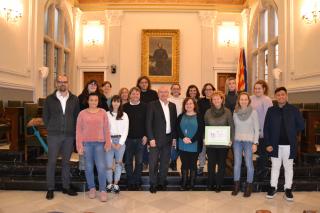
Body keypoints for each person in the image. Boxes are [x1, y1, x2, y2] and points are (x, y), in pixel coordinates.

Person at [43, 75, 80, 200]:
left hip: (69, 136)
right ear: (56, 83)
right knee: (52, 162)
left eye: (65, 81)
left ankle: (65, 186)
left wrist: (74, 132)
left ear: (68, 83)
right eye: (60, 82)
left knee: (66, 162)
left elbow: (76, 117)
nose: (62, 84)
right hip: (54, 135)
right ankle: (50, 188)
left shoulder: (74, 99)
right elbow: (45, 117)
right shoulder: (49, 99)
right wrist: (51, 128)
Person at [264, 87, 304, 201]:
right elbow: (266, 128)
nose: (281, 97)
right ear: (276, 97)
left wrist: (291, 129)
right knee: (275, 167)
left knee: (288, 168)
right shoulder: (271, 110)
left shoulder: (294, 110)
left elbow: (301, 125)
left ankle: (288, 189)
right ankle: (273, 187)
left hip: (289, 145)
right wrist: (268, 144)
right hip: (274, 145)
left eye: (283, 94)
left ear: (286, 96)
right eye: (278, 95)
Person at [76, 92, 111, 202]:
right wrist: (79, 145)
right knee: (89, 167)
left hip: (100, 144)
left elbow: (106, 129)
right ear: (88, 101)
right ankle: (91, 188)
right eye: (91, 100)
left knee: (101, 167)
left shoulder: (103, 112)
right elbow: (79, 131)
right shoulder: (82, 113)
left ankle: (103, 190)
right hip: (87, 144)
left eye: (95, 100)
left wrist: (108, 143)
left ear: (98, 101)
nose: (93, 102)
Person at [146, 86, 177, 193]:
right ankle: (153, 184)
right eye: (161, 92)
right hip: (155, 139)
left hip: (168, 138)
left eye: (165, 92)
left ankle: (161, 182)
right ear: (158, 94)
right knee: (153, 162)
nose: (163, 94)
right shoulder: (152, 105)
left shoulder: (172, 106)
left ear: (168, 94)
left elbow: (174, 123)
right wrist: (151, 138)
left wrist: (174, 137)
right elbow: (148, 123)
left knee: (165, 162)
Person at [204, 91, 234, 193]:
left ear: (222, 100)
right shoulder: (208, 112)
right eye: (214, 99)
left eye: (218, 98)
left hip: (223, 143)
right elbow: (205, 126)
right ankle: (210, 184)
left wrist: (231, 140)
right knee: (211, 164)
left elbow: (231, 127)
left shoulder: (227, 112)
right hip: (211, 143)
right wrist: (204, 138)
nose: (216, 100)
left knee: (221, 164)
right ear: (212, 101)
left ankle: (219, 185)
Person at [232, 92, 259, 197]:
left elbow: (256, 129)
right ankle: (236, 186)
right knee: (237, 164)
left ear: (249, 101)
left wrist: (255, 143)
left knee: (249, 164)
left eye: (245, 99)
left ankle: (249, 187)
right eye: (241, 99)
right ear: (239, 101)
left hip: (249, 141)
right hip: (237, 141)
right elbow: (234, 127)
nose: (243, 101)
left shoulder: (253, 112)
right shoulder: (235, 112)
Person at [123, 87, 148, 190]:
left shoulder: (145, 106)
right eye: (133, 94)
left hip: (141, 139)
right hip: (128, 139)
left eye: (137, 94)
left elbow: (148, 122)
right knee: (128, 161)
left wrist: (146, 135)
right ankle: (130, 180)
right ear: (130, 95)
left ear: (139, 95)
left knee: (139, 161)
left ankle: (137, 180)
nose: (135, 96)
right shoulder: (124, 107)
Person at [177, 97, 204, 191]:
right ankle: (184, 182)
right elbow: (177, 129)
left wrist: (191, 140)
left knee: (193, 164)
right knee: (184, 164)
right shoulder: (181, 116)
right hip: (182, 143)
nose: (189, 105)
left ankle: (192, 183)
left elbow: (200, 131)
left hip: (194, 144)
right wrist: (183, 138)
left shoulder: (199, 116)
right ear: (184, 106)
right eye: (187, 104)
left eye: (191, 103)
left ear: (194, 105)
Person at [106, 95, 129, 194]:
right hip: (109, 140)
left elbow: (125, 130)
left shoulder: (124, 115)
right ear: (111, 103)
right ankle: (109, 183)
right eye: (114, 101)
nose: (116, 103)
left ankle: (116, 184)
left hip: (121, 141)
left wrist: (120, 143)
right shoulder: (106, 114)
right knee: (108, 164)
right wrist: (111, 143)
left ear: (120, 103)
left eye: (118, 101)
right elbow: (105, 129)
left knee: (119, 163)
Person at [250, 80, 273, 179]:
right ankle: (254, 172)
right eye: (255, 88)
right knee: (252, 152)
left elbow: (269, 117)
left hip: (263, 130)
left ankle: (262, 173)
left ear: (264, 89)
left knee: (263, 154)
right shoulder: (250, 98)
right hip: (251, 131)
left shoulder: (267, 99)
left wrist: (264, 131)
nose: (257, 90)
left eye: (259, 88)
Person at [136, 76, 158, 170]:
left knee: (153, 141)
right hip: (141, 120)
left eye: (145, 82)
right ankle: (144, 162)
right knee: (144, 142)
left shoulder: (153, 93)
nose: (144, 84)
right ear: (139, 84)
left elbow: (157, 105)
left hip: (153, 120)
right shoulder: (137, 93)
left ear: (148, 84)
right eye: (142, 82)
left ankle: (154, 162)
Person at [197, 83, 215, 175]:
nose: (208, 91)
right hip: (204, 128)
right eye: (206, 89)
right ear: (204, 91)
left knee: (212, 150)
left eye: (210, 89)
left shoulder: (216, 100)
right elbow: (198, 115)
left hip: (214, 130)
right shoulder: (200, 102)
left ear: (213, 90)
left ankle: (211, 168)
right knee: (203, 149)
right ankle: (201, 165)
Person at [168, 83, 184, 171]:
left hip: (181, 124)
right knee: (172, 144)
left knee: (179, 143)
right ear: (171, 90)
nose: (176, 90)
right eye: (174, 88)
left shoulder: (183, 100)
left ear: (180, 90)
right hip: (171, 124)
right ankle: (173, 161)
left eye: (177, 88)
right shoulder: (168, 99)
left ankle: (174, 160)